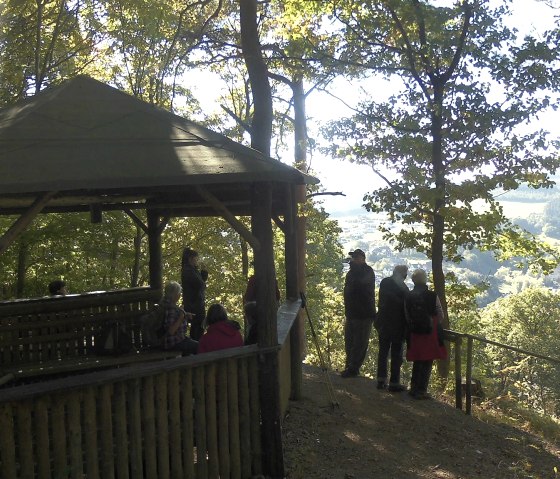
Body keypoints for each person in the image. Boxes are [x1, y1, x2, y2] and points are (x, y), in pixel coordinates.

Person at [405, 269, 447, 399]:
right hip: (430, 333)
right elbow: (440, 314)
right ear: (425, 279)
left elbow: (406, 314)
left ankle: (413, 388)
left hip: (415, 332)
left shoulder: (408, 296)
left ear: (413, 280)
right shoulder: (432, 295)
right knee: (428, 360)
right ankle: (422, 390)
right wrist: (434, 323)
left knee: (418, 359)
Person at [341, 249, 376, 378]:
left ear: (362, 258)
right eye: (353, 258)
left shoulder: (367, 272)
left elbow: (360, 285)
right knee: (349, 342)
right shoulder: (351, 273)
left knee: (360, 343)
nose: (353, 260)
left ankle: (353, 368)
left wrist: (354, 268)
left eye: (356, 257)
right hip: (351, 313)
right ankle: (349, 366)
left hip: (364, 314)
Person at [375, 265, 409, 391]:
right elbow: (405, 308)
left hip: (383, 323)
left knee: (383, 352)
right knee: (396, 354)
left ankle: (381, 379)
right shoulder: (403, 288)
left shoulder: (385, 282)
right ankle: (394, 382)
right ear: (403, 275)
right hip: (397, 325)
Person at [161, 281, 198, 355]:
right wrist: (181, 317)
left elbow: (171, 319)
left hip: (176, 340)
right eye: (179, 293)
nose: (180, 295)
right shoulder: (170, 308)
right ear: (175, 294)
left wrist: (185, 314)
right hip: (173, 342)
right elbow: (171, 331)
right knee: (199, 347)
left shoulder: (165, 304)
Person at [181, 247, 208, 341]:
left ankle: (196, 348)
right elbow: (200, 284)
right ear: (190, 259)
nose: (197, 260)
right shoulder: (188, 271)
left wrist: (204, 272)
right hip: (194, 305)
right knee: (197, 329)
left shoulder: (192, 270)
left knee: (198, 328)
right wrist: (203, 283)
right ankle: (196, 349)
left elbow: (201, 282)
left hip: (196, 303)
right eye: (196, 258)